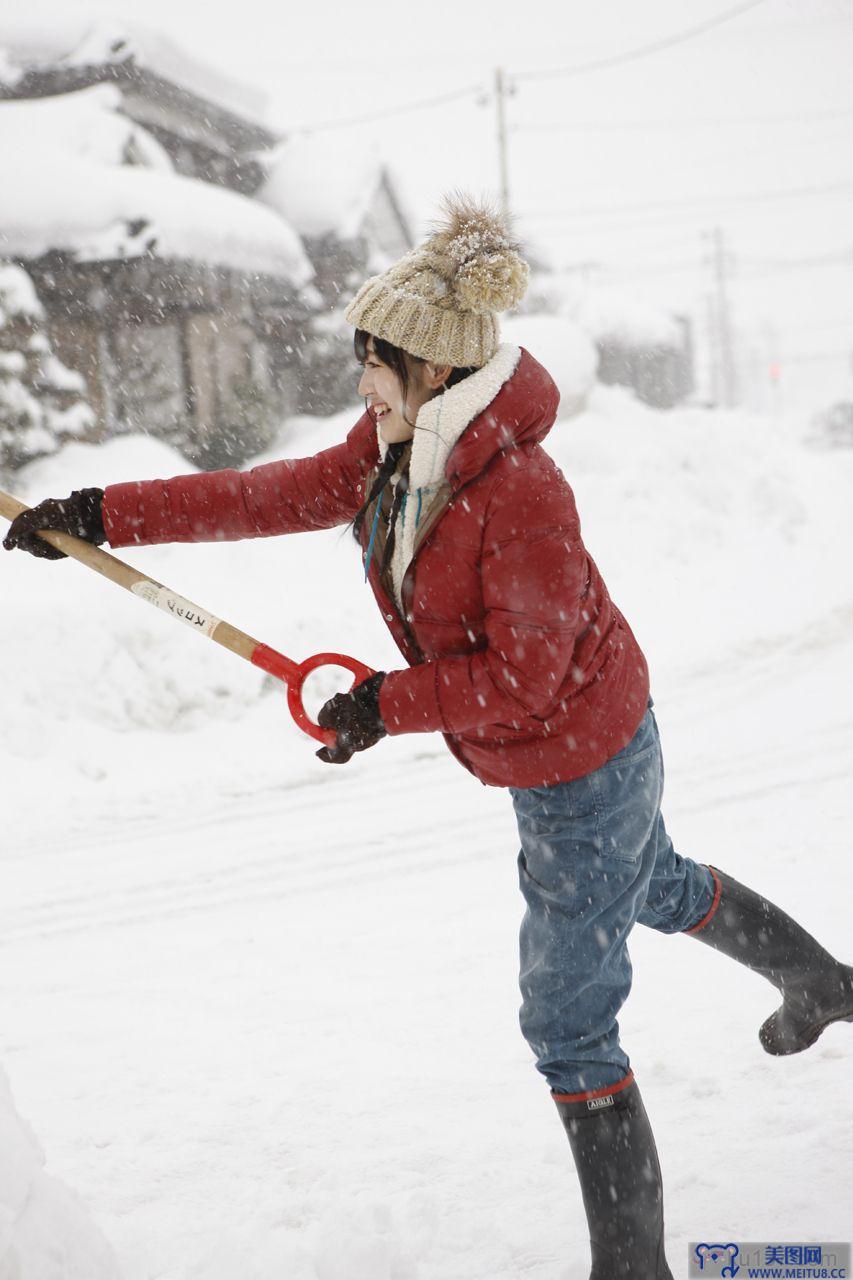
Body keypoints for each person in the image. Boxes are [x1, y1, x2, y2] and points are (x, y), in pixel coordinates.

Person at [5, 196, 852, 1279]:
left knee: (567, 1017)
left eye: (378, 362)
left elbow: (523, 675)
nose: (362, 381)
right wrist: (100, 512)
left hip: (580, 755)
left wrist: (381, 702)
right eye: (364, 357)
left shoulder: (522, 493)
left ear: (440, 375)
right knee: (652, 883)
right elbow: (264, 493)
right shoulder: (396, 449)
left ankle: (632, 1264)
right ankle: (822, 980)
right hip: (563, 744)